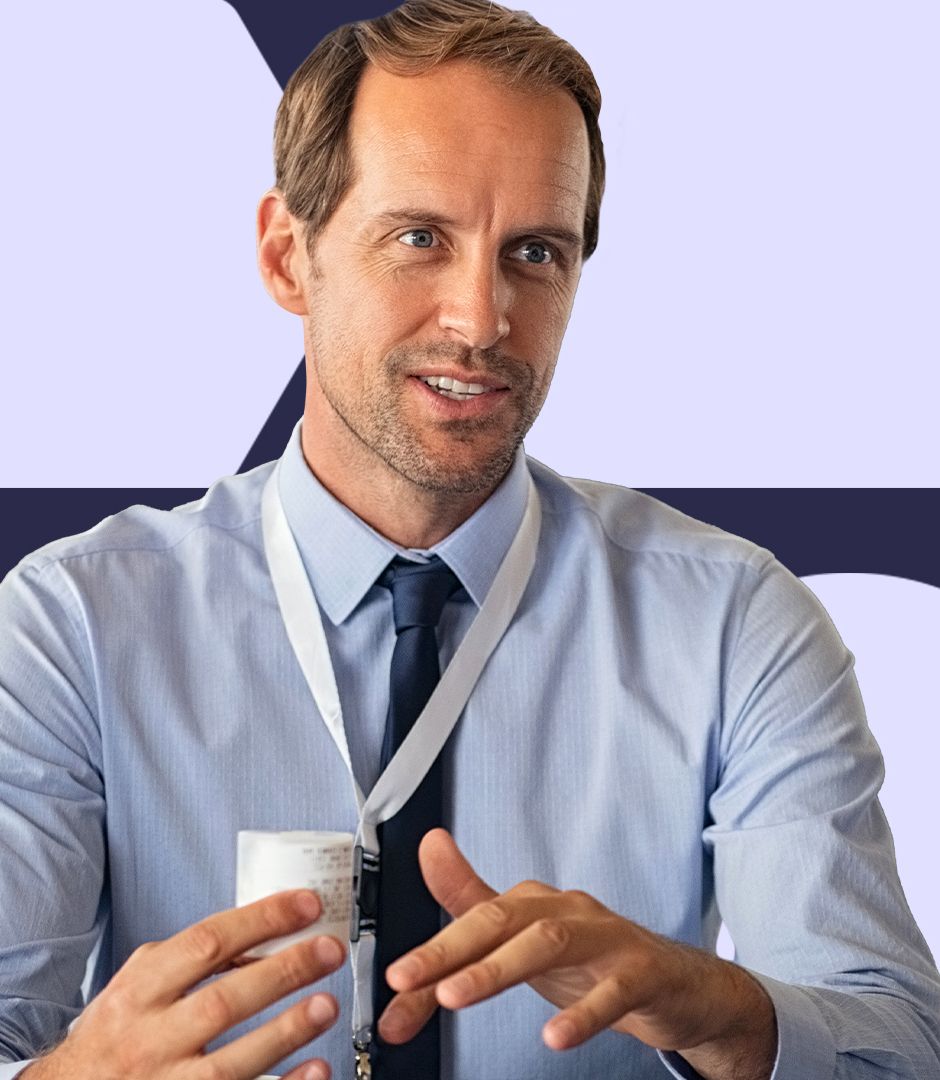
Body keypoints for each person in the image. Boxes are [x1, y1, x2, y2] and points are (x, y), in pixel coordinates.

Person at [0, 1, 937, 1077]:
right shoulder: (74, 626)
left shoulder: (733, 624)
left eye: (535, 252)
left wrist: (722, 1010)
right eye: (420, 239)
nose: (482, 319)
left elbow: (897, 1045)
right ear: (288, 257)